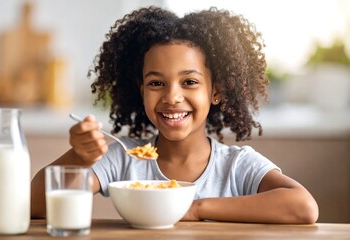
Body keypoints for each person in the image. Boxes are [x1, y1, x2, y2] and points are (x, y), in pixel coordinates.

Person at [31, 6, 319, 223]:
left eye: (190, 82)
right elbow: (37, 207)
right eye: (156, 83)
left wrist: (193, 208)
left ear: (216, 91)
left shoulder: (236, 166)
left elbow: (303, 207)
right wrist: (79, 157)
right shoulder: (123, 158)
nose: (172, 97)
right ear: (140, 89)